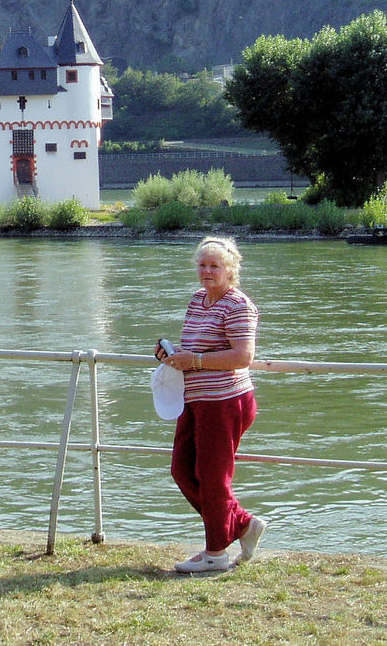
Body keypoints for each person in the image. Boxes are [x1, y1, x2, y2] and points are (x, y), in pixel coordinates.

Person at [155, 235, 266, 574]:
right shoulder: (197, 300)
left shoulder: (238, 305)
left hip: (226, 402)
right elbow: (194, 347)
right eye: (202, 265)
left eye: (214, 266)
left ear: (230, 269)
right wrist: (170, 356)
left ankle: (216, 553)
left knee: (212, 476)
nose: (206, 271)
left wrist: (196, 361)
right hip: (195, 400)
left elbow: (243, 356)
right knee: (182, 469)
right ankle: (241, 524)